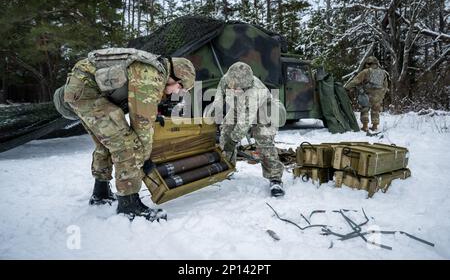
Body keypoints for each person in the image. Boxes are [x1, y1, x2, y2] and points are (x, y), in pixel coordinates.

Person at [54, 48, 195, 221]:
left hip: (82, 88)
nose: (178, 92)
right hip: (87, 92)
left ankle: (101, 192)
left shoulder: (153, 68)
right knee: (127, 144)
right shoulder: (150, 74)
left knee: (107, 142)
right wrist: (144, 160)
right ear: (176, 75)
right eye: (180, 86)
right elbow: (142, 126)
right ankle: (129, 205)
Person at [205, 61, 286, 197]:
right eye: (233, 87)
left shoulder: (255, 91)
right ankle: (228, 168)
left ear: (246, 85)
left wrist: (234, 139)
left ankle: (275, 178)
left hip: (264, 110)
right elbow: (219, 98)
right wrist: (213, 113)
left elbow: (244, 122)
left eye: (238, 88)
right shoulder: (227, 78)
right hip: (239, 107)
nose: (234, 90)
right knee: (226, 131)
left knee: (264, 142)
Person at [344, 56, 389, 132]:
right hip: (378, 95)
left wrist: (346, 87)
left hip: (367, 93)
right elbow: (385, 85)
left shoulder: (366, 71)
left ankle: (365, 126)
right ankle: (374, 126)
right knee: (376, 110)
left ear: (368, 63)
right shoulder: (383, 72)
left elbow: (356, 81)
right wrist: (382, 94)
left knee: (365, 109)